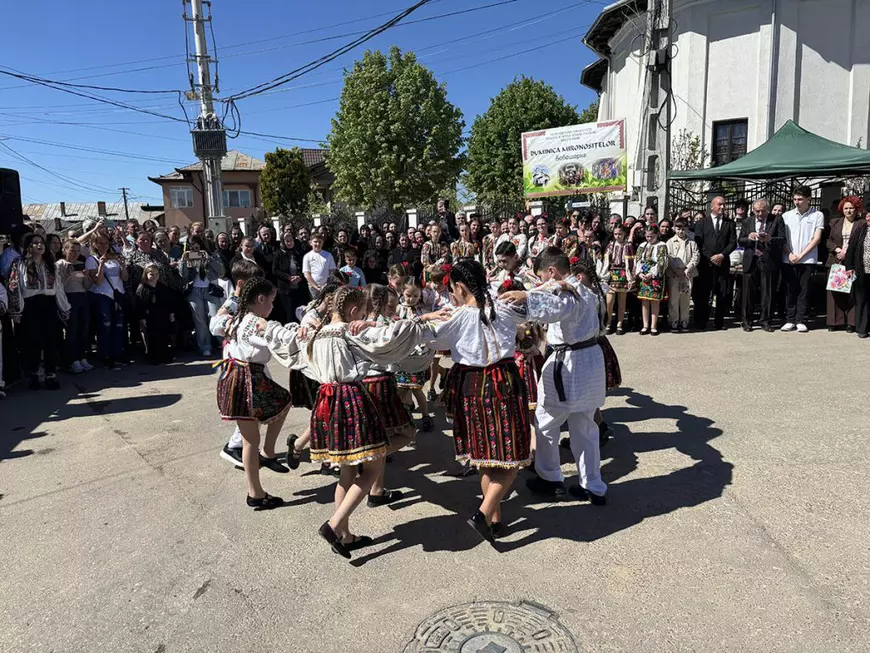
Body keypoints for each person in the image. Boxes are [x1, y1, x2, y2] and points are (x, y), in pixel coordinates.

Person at [299, 286, 439, 559]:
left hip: (327, 402)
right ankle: (334, 525)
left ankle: (346, 535)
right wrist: (423, 319)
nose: (362, 317)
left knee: (346, 471)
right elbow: (389, 337)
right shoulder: (351, 332)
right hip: (351, 399)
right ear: (353, 311)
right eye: (361, 312)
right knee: (372, 470)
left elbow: (293, 346)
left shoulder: (319, 333)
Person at [426, 260, 537, 543]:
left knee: (487, 457)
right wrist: (530, 294)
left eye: (451, 290)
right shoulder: (503, 308)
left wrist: (423, 319)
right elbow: (541, 315)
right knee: (511, 458)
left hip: (471, 387)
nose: (451, 295)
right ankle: (484, 512)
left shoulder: (459, 316)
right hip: (502, 383)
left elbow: (431, 341)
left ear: (460, 287)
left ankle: (495, 521)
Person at [501, 248, 607, 505]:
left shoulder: (566, 292)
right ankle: (593, 485)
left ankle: (550, 478)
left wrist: (526, 295)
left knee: (546, 421)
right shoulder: (584, 288)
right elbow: (555, 295)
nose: (542, 282)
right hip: (590, 360)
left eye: (543, 277)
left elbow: (555, 308)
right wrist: (536, 290)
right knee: (585, 426)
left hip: (569, 363)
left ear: (552, 271)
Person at [212, 277, 301, 510]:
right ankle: (256, 492)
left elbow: (216, 325)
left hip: (236, 376)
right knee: (251, 439)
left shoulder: (237, 318)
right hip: (247, 378)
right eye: (271, 301)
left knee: (281, 404)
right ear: (260, 299)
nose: (272, 306)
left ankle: (265, 458)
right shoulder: (255, 322)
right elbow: (279, 341)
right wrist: (291, 332)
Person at [7, 233, 70, 390]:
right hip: (30, 305)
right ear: (29, 246)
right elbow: (15, 287)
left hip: (48, 304)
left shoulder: (50, 264)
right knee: (33, 341)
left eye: (41, 242)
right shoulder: (20, 263)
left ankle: (50, 375)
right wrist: (17, 310)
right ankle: (34, 375)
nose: (39, 245)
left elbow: (58, 287)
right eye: (35, 243)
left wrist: (64, 306)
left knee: (50, 340)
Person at [780, 187, 824, 333]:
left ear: (808, 199)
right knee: (790, 289)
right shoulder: (787, 216)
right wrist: (790, 254)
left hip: (808, 259)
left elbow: (816, 238)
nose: (797, 202)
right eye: (795, 199)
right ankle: (790, 319)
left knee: (804, 290)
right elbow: (782, 238)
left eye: (800, 199)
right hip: (789, 258)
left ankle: (800, 319)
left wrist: (801, 255)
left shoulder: (817, 215)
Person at [738, 198, 785, 332]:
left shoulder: (776, 220)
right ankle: (747, 321)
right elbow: (740, 240)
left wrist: (770, 239)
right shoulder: (747, 221)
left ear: (767, 210)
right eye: (757, 211)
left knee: (768, 291)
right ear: (753, 211)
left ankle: (766, 321)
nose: (759, 214)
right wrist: (749, 238)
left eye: (762, 211)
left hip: (768, 259)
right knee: (748, 293)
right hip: (751, 259)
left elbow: (782, 239)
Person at [395, 277, 434, 431]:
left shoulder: (423, 310)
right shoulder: (398, 309)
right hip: (401, 357)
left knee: (417, 389)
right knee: (401, 389)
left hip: (417, 358)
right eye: (408, 295)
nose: (411, 299)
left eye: (415, 296)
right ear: (403, 293)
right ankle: (405, 417)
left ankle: (425, 415)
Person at [693, 196, 737, 330]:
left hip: (722, 264)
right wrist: (711, 257)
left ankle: (719, 322)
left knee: (722, 294)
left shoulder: (729, 223)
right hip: (706, 265)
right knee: (703, 295)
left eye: (724, 204)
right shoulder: (702, 223)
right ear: (712, 206)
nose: (722, 207)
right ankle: (701, 322)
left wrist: (722, 255)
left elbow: (733, 242)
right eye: (720, 204)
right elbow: (699, 243)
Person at [86, 233, 128, 369]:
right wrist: (101, 265)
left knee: (119, 325)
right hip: (102, 294)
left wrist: (122, 264)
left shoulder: (115, 257)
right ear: (94, 244)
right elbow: (98, 281)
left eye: (105, 243)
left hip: (118, 293)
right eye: (100, 243)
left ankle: (118, 353)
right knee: (106, 326)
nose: (103, 246)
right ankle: (106, 355)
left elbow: (125, 278)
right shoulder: (92, 259)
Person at [180, 235, 224, 357]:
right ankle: (205, 346)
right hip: (194, 290)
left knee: (215, 316)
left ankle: (223, 343)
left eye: (197, 248)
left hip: (210, 289)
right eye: (193, 249)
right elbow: (183, 275)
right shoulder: (188, 257)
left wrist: (208, 258)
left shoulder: (211, 255)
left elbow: (221, 271)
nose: (196, 251)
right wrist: (184, 262)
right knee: (200, 320)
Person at [825, 196, 863, 332]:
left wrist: (848, 252)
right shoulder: (835, 222)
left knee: (852, 292)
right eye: (846, 208)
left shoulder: (862, 223)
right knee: (835, 291)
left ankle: (851, 323)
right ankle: (835, 322)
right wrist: (837, 249)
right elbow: (828, 240)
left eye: (851, 208)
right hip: (836, 260)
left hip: (853, 262)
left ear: (856, 209)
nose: (848, 211)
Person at [56, 239, 94, 373]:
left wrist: (87, 276)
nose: (75, 254)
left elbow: (87, 286)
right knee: (72, 329)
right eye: (72, 250)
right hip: (69, 297)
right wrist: (66, 275)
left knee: (84, 329)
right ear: (65, 250)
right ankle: (72, 360)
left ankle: (82, 356)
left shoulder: (80, 264)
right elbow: (58, 285)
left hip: (83, 296)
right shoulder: (60, 264)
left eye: (77, 251)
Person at [135, 263, 175, 364]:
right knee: (153, 338)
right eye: (151, 274)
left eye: (156, 274)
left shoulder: (162, 287)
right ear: (146, 275)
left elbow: (169, 301)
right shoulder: (142, 288)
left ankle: (164, 355)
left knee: (164, 336)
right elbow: (140, 305)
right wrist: (142, 318)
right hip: (150, 317)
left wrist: (171, 313)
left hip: (163, 315)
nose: (154, 277)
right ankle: (153, 357)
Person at [634, 224, 669, 335]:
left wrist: (652, 273)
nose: (649, 239)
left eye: (651, 236)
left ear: (657, 235)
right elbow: (638, 260)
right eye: (647, 236)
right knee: (644, 300)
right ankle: (645, 325)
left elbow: (662, 262)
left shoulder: (661, 245)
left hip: (655, 276)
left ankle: (653, 325)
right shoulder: (642, 245)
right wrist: (639, 273)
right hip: (643, 274)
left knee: (654, 301)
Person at [665, 219, 699, 332]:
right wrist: (675, 269)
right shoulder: (670, 242)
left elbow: (696, 256)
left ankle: (684, 320)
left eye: (683, 229)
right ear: (674, 229)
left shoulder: (692, 242)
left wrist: (688, 268)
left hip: (687, 274)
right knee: (674, 298)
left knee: (685, 298)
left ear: (687, 229)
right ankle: (673, 321)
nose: (681, 232)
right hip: (674, 274)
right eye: (678, 229)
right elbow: (668, 257)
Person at [602, 225, 634, 334]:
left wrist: (630, 278)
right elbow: (606, 261)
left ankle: (620, 323)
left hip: (624, 274)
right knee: (609, 301)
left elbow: (630, 263)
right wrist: (605, 275)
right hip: (612, 274)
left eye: (620, 234)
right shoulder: (610, 245)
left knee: (622, 300)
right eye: (615, 234)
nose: (617, 236)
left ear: (624, 234)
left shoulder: (628, 246)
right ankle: (608, 322)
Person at [272, 230, 307, 323]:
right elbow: (275, 270)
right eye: (287, 241)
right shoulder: (278, 253)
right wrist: (288, 277)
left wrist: (299, 277)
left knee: (299, 312)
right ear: (283, 242)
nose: (290, 243)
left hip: (298, 288)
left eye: (291, 240)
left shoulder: (297, 253)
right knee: (289, 314)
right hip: (285, 289)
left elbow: (304, 268)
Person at [844, 214, 870, 338]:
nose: (869, 218)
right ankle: (862, 328)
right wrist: (849, 267)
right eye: (868, 216)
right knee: (862, 300)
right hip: (862, 271)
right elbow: (851, 250)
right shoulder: (860, 230)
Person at [302, 232, 337, 299]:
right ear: (310, 242)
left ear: (322, 243)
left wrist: (327, 284)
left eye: (320, 242)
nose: (317, 244)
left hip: (327, 287)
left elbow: (332, 271)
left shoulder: (328, 255)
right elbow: (307, 274)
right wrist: (317, 287)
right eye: (315, 242)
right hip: (313, 288)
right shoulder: (307, 256)